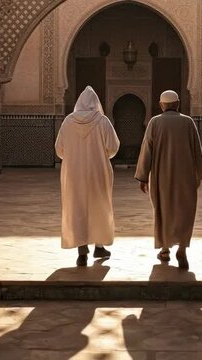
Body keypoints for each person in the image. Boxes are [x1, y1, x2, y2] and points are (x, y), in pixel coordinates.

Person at [135, 90, 202, 270]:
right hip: (186, 175)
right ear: (178, 103)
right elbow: (197, 150)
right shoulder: (188, 122)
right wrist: (199, 174)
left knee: (163, 210)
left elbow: (146, 151)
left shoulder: (154, 122)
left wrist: (143, 177)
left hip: (161, 176)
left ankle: (165, 249)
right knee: (184, 211)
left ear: (161, 105)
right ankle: (182, 249)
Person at [55, 86, 120, 267]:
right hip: (98, 172)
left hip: (74, 173)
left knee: (77, 208)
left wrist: (74, 157)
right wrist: (99, 154)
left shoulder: (68, 122)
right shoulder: (103, 121)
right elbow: (113, 148)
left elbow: (59, 150)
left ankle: (82, 251)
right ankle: (99, 246)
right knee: (99, 206)